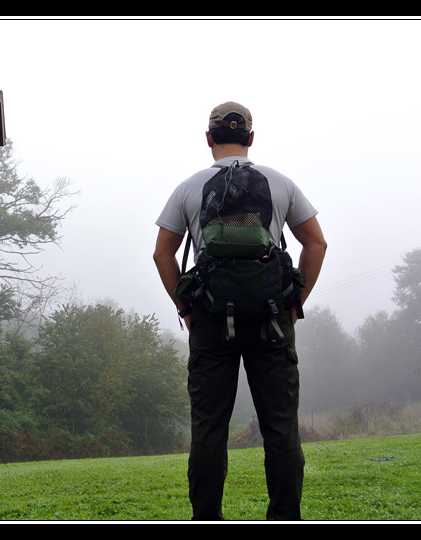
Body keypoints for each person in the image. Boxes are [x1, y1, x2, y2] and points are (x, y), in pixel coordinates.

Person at [153, 102, 327, 521]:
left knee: (209, 432)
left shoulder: (188, 187)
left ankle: (207, 518)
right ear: (251, 139)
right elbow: (316, 244)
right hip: (272, 320)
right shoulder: (280, 183)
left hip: (211, 322)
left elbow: (163, 253)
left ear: (209, 138)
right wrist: (294, 306)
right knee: (281, 429)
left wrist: (186, 307)